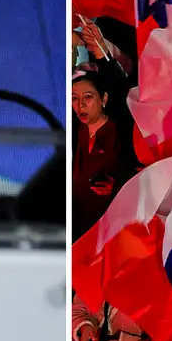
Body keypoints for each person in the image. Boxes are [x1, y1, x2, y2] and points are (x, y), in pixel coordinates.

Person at [71, 71, 125, 241]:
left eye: (88, 97)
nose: (80, 105)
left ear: (103, 99)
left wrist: (116, 186)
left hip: (109, 226)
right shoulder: (73, 131)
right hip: (75, 225)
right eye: (74, 98)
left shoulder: (122, 133)